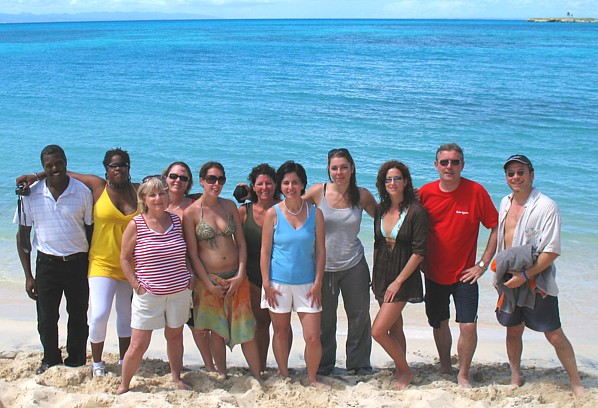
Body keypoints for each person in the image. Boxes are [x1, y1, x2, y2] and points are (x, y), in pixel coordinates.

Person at [19, 148, 139, 377]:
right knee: (70, 315)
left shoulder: (131, 192)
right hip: (78, 262)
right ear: (106, 169)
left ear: (129, 167)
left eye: (123, 164)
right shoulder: (95, 186)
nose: (118, 169)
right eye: (114, 165)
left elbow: (163, 195)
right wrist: (37, 176)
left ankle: (89, 359)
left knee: (97, 315)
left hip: (109, 262)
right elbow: (23, 235)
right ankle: (68, 360)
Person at [492, 154, 585, 395]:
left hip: (536, 280)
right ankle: (515, 376)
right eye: (511, 173)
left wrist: (525, 275)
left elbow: (552, 251)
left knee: (553, 333)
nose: (516, 177)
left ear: (532, 175)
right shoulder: (505, 202)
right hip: (509, 280)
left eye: (521, 172)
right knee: (513, 330)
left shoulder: (546, 206)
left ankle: (576, 382)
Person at [418, 142, 498, 387]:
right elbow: (407, 223)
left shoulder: (476, 191)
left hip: (465, 275)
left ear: (462, 165)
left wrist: (483, 265)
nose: (449, 167)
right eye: (444, 162)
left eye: (455, 162)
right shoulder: (425, 193)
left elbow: (496, 227)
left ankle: (463, 373)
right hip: (433, 273)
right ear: (436, 165)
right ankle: (444, 365)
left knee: (468, 326)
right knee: (439, 323)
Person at [14, 145, 94, 375]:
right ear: (43, 168)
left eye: (58, 163)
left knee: (78, 315)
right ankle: (50, 358)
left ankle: (77, 358)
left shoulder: (82, 192)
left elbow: (90, 230)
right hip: (47, 264)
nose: (55, 168)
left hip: (78, 262)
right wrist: (28, 275)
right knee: (47, 317)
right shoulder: (31, 194)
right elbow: (23, 237)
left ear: (66, 161)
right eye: (49, 165)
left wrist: (90, 264)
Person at [183, 161, 260, 379]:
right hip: (209, 280)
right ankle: (222, 375)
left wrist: (241, 274)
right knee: (216, 332)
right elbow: (193, 254)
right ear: (201, 181)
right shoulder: (190, 214)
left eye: (220, 179)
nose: (216, 184)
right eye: (211, 179)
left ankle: (257, 376)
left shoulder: (229, 206)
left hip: (236, 276)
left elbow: (241, 244)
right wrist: (208, 283)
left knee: (247, 330)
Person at [304, 148, 377, 376]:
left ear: (352, 168)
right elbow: (291, 208)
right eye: (334, 168)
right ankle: (325, 365)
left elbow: (384, 218)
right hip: (322, 267)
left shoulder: (362, 195)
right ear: (328, 169)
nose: (339, 172)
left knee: (359, 317)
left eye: (344, 167)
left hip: (354, 264)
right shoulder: (318, 192)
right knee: (326, 320)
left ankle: (359, 365)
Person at [117, 176, 193, 394]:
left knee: (175, 336)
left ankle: (176, 377)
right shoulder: (136, 224)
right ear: (144, 198)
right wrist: (136, 284)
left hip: (179, 291)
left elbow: (185, 251)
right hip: (149, 293)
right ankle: (125, 384)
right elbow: (124, 258)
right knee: (139, 344)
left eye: (162, 193)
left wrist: (190, 274)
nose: (158, 198)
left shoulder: (176, 221)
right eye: (152, 194)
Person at [261, 161, 326, 386]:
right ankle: (283, 373)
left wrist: (318, 282)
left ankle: (312, 377)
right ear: (281, 186)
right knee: (280, 332)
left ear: (302, 185)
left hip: (308, 283)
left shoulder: (315, 213)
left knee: (312, 336)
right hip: (277, 283)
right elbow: (265, 251)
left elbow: (320, 251)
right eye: (286, 183)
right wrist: (266, 283)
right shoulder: (273, 213)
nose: (290, 187)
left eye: (295, 182)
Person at [371, 161, 428, 389]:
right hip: (381, 275)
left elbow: (419, 252)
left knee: (378, 331)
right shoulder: (380, 209)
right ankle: (399, 367)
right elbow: (378, 244)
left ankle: (405, 371)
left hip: (402, 278)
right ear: (383, 184)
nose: (392, 183)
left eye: (397, 178)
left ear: (406, 181)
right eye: (388, 179)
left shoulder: (416, 212)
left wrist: (397, 282)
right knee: (395, 327)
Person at [162, 161, 216, 372]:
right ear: (165, 177)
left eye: (183, 178)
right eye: (174, 176)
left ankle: (210, 366)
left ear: (190, 183)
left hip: (192, 274)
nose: (178, 181)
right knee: (170, 327)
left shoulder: (194, 204)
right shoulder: (155, 201)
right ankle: (176, 366)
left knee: (197, 326)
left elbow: (218, 201)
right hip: (162, 275)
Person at [238, 163, 282, 373]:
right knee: (260, 324)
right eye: (259, 184)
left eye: (269, 183)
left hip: (281, 276)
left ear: (276, 185)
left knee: (281, 326)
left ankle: (282, 366)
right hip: (252, 276)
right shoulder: (243, 212)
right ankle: (261, 366)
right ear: (253, 187)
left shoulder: (285, 208)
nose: (265, 187)